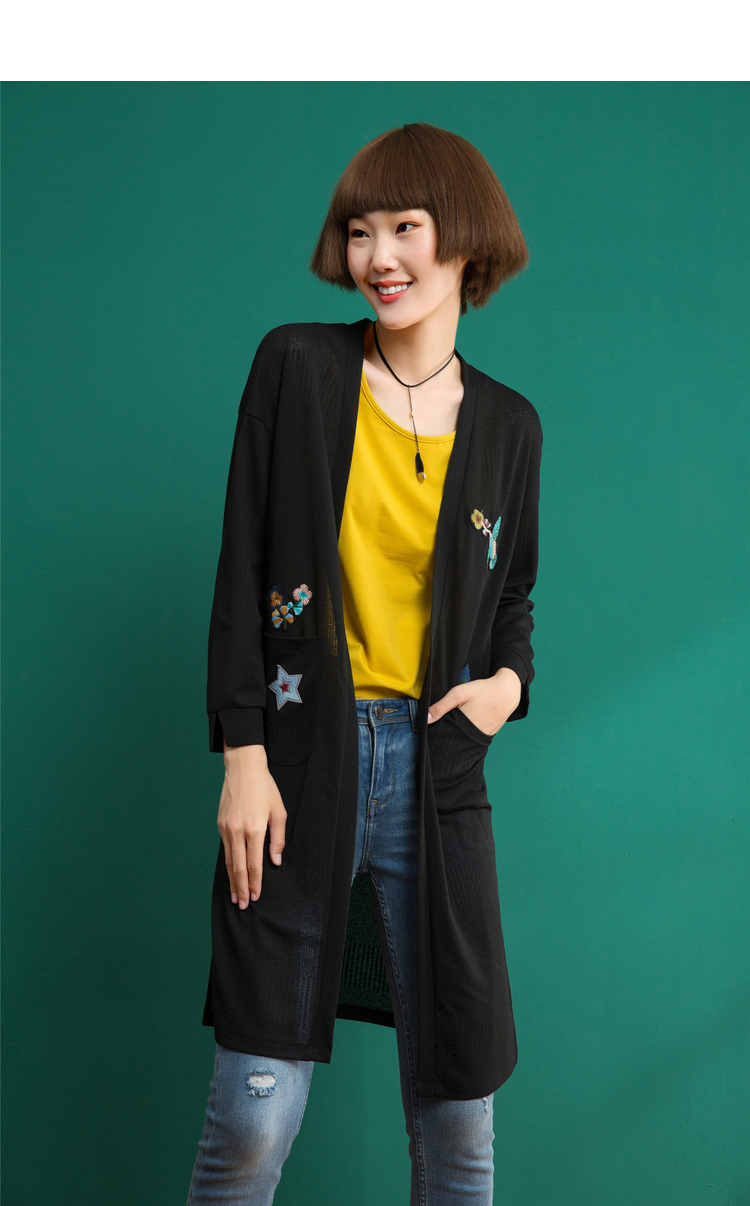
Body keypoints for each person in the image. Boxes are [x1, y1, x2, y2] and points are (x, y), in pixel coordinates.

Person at [186, 121, 543, 1206]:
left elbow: (514, 598)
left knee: (461, 1126)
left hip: (440, 775)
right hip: (302, 762)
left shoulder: (510, 427)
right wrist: (243, 756)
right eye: (358, 232)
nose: (377, 257)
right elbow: (244, 566)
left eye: (405, 228)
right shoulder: (297, 367)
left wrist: (508, 688)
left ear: (464, 242)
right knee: (253, 1118)